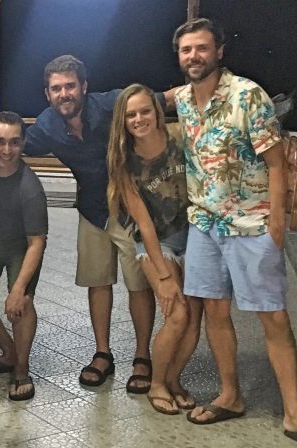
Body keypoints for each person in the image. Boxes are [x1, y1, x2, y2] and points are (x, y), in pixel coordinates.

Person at [172, 18, 297, 448]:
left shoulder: (248, 96)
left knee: (273, 318)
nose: (194, 57)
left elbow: (276, 163)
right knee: (215, 312)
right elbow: (131, 108)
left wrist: (275, 221)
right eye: (185, 50)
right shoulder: (182, 101)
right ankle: (229, 395)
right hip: (205, 225)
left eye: (201, 48)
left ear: (219, 51)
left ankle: (295, 413)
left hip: (250, 225)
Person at [24, 55, 176, 391]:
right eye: (56, 88)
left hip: (131, 209)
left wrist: (217, 94)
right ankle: (102, 353)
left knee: (139, 285)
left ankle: (142, 356)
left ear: (84, 87)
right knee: (98, 282)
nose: (64, 94)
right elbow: (8, 145)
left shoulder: (111, 104)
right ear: (47, 94)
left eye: (70, 86)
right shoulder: (47, 126)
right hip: (92, 211)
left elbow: (164, 98)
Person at [106, 84, 202, 414]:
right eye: (131, 114)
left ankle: (173, 380)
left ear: (157, 112)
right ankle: (158, 384)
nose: (139, 119)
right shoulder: (124, 162)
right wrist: (163, 275)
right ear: (123, 120)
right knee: (176, 314)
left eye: (145, 111)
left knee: (194, 319)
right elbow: (144, 224)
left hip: (195, 232)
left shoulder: (180, 137)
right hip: (156, 240)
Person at [0, 111, 48, 401]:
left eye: (14, 143)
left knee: (22, 305)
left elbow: (36, 242)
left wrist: (18, 290)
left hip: (22, 245)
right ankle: (9, 352)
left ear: (23, 143)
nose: (6, 150)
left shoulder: (30, 188)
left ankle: (22, 369)